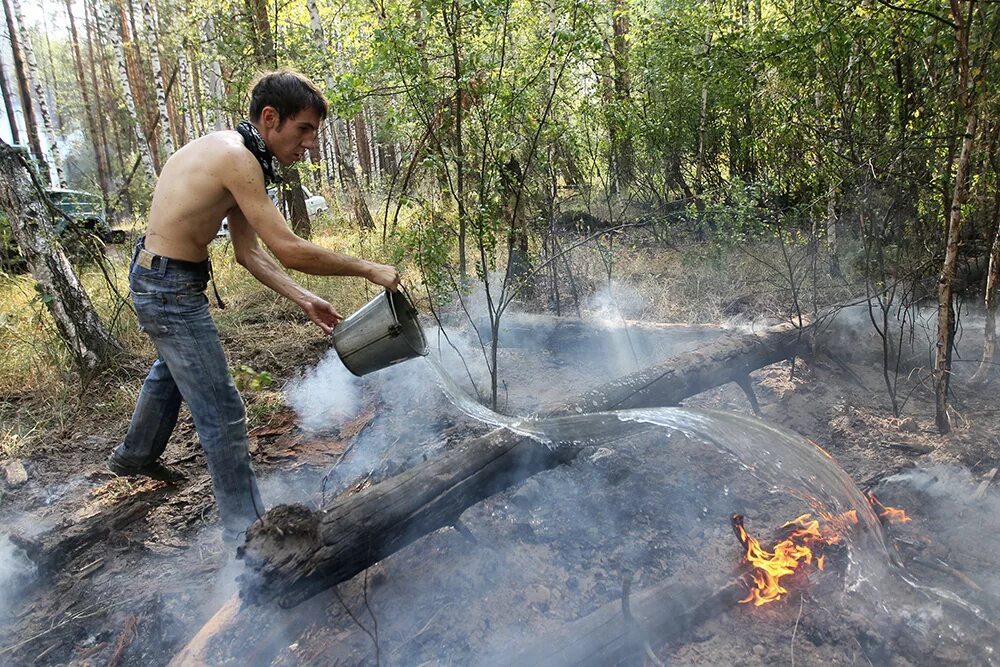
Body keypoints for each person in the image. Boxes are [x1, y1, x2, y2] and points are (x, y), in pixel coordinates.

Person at [107, 70, 401, 541]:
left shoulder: (237, 154)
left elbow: (249, 253)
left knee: (172, 369)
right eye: (303, 129)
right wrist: (368, 268)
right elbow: (288, 248)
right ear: (270, 118)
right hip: (168, 288)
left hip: (160, 278)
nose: (309, 143)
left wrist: (305, 299)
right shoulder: (237, 159)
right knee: (223, 413)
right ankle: (250, 540)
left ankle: (135, 455)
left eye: (314, 133)